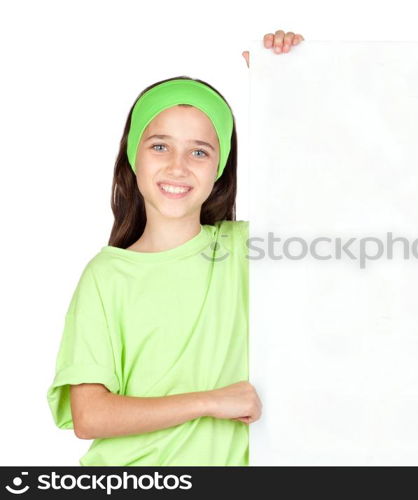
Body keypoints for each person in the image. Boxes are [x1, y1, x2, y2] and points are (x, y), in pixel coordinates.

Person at [46, 30, 305, 466]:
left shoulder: (245, 251)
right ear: (133, 156)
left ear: (219, 171)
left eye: (199, 152)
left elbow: (331, 192)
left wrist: (286, 83)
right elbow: (89, 414)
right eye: (160, 146)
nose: (177, 166)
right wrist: (209, 402)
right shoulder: (107, 275)